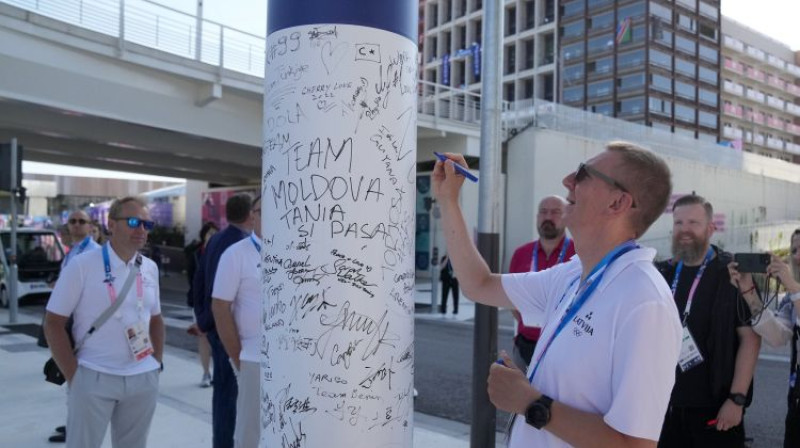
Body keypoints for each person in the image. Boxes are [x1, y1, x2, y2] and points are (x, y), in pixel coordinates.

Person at [432, 141, 682, 448]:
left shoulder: (645, 301)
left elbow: (636, 445)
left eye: (583, 173)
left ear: (617, 203)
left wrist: (530, 403)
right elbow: (479, 284)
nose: (567, 181)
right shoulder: (574, 272)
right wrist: (448, 201)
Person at [43, 197, 164, 448]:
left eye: (147, 224)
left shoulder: (149, 268)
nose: (141, 229)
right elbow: (53, 323)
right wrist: (75, 377)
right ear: (112, 224)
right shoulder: (82, 266)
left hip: (142, 378)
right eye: (133, 222)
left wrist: (155, 366)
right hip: (93, 375)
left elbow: (156, 319)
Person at [655, 195, 760, 448]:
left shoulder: (733, 273)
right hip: (664, 406)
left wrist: (737, 399)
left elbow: (750, 339)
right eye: (679, 223)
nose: (684, 230)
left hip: (716, 407)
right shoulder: (661, 274)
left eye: (693, 222)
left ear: (711, 228)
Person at [193, 193, 256, 448]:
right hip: (231, 335)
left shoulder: (216, 238)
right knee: (232, 401)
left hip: (217, 330)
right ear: (251, 215)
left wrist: (203, 320)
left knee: (224, 398)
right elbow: (221, 300)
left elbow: (197, 281)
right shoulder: (239, 246)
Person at [729, 228, 800, 448]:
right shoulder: (792, 295)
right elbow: (777, 336)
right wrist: (748, 292)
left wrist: (793, 288)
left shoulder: (794, 291)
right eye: (794, 249)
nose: (797, 256)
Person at [45, 209, 103, 443]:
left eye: (82, 222)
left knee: (79, 375)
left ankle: (79, 427)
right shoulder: (74, 251)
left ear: (91, 226)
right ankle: (72, 422)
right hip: (70, 321)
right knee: (70, 374)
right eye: (73, 221)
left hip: (83, 325)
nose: (77, 225)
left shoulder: (93, 253)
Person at [212, 196, 263, 448]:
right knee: (250, 434)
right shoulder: (235, 254)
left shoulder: (293, 251)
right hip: (253, 359)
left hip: (289, 360)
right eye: (263, 211)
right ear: (252, 216)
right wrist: (238, 358)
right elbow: (220, 307)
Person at [508, 195, 575, 367]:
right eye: (543, 212)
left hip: (565, 349)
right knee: (517, 393)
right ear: (537, 217)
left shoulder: (580, 254)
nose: (548, 217)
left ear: (566, 216)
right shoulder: (521, 254)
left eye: (555, 212)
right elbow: (511, 300)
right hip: (525, 346)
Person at [185, 222, 219, 388]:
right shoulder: (197, 255)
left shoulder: (224, 253)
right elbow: (192, 280)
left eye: (215, 233)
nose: (212, 236)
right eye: (209, 233)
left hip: (219, 302)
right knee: (203, 336)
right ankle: (206, 372)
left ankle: (219, 371)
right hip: (201, 303)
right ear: (203, 235)